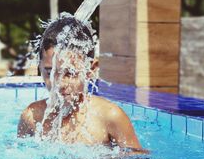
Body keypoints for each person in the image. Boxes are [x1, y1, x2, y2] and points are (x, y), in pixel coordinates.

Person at [17, 14, 145, 152]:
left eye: (70, 73)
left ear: (90, 69)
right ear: (39, 67)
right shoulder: (32, 117)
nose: (59, 84)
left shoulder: (110, 117)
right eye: (50, 72)